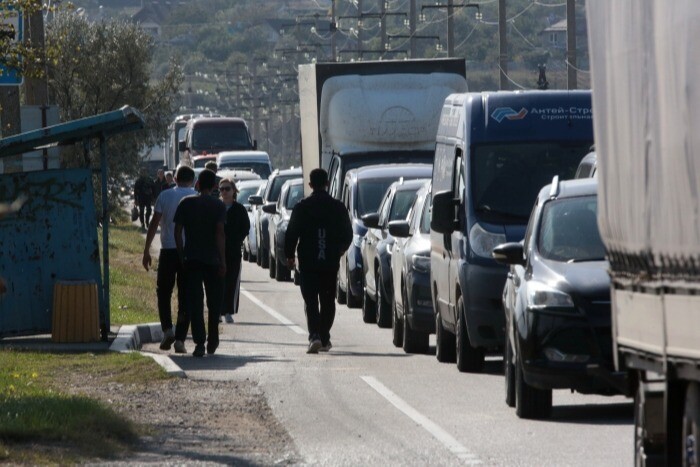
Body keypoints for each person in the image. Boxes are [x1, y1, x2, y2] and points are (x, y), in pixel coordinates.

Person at [285, 168, 352, 353]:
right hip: (329, 262)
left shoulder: (302, 207)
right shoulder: (338, 207)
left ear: (310, 185)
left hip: (308, 262)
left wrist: (289, 255)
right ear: (328, 184)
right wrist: (340, 249)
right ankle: (324, 336)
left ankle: (315, 335)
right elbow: (348, 234)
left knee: (311, 300)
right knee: (328, 300)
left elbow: (291, 233)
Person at [142, 165, 197, 354]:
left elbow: (154, 222)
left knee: (163, 292)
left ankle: (167, 329)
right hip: (189, 253)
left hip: (168, 251)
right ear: (192, 179)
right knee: (185, 295)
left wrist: (146, 250)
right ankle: (180, 339)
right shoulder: (196, 197)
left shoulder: (165, 196)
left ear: (174, 178)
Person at [174, 169, 227, 357]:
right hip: (212, 260)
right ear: (214, 186)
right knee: (214, 303)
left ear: (197, 184)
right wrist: (223, 261)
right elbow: (220, 234)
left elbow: (177, 232)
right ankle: (213, 339)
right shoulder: (218, 206)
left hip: (192, 259)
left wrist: (182, 255)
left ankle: (199, 343)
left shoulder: (186, 203)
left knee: (195, 303)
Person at [219, 177, 250, 324]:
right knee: (217, 281)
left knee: (231, 280)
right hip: (217, 250)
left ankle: (228, 311)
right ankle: (217, 311)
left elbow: (246, 227)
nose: (224, 192)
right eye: (222, 189)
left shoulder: (239, 209)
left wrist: (236, 239)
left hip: (233, 251)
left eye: (227, 189)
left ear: (233, 191)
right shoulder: (216, 207)